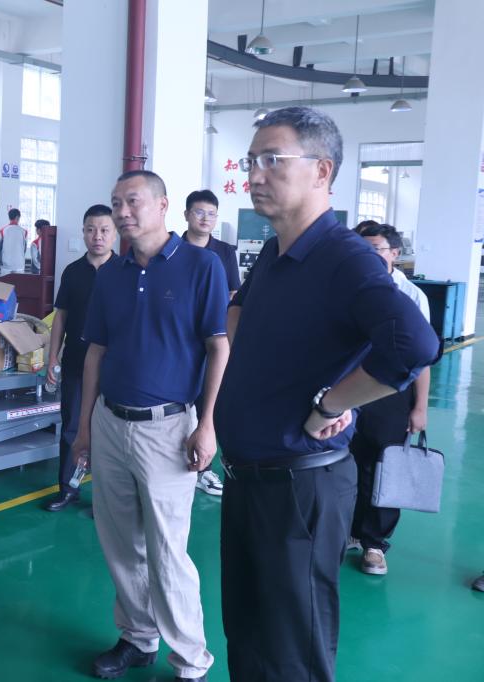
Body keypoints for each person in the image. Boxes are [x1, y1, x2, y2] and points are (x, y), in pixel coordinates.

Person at [214, 107, 439, 682]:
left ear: (321, 170)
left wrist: (331, 404)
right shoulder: (276, 251)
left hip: (299, 487)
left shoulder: (345, 257)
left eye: (273, 160)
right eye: (251, 160)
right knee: (248, 633)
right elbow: (241, 313)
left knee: (292, 649)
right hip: (248, 477)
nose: (255, 174)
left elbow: (413, 344)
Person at [72, 171, 229, 682]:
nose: (122, 212)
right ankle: (138, 638)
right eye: (116, 202)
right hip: (110, 423)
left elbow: (218, 347)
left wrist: (207, 424)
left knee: (167, 551)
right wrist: (84, 428)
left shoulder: (202, 266)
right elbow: (95, 352)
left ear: (162, 205)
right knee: (120, 544)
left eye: (133, 201)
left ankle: (190, 660)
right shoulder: (111, 275)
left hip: (168, 428)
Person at [347, 220, 431, 576]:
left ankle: (374, 544)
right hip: (347, 390)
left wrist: (420, 407)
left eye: (376, 249)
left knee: (385, 467)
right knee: (346, 464)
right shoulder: (346, 288)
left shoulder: (411, 296)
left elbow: (422, 357)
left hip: (390, 392)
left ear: (394, 253)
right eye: (360, 249)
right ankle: (349, 531)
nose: (367, 256)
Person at [42, 204, 117, 512]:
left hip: (113, 366)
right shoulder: (72, 272)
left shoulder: (125, 271)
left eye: (104, 230)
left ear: (114, 233)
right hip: (75, 361)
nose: (97, 236)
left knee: (110, 432)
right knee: (72, 426)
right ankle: (67, 489)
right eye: (91, 230)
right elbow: (61, 317)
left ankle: (106, 499)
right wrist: (52, 357)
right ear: (83, 232)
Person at [181, 189, 240, 498]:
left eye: (211, 214)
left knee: (209, 401)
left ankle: (204, 468)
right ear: (186, 214)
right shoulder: (173, 249)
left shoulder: (224, 252)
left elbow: (233, 295)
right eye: (199, 212)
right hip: (180, 337)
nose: (205, 219)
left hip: (213, 337)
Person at [0, 208, 27, 275]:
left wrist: (0, 260)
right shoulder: (24, 231)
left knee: (5, 281)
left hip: (6, 263)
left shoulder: (2, 230)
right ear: (18, 217)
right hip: (19, 264)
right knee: (18, 281)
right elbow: (24, 248)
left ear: (9, 217)